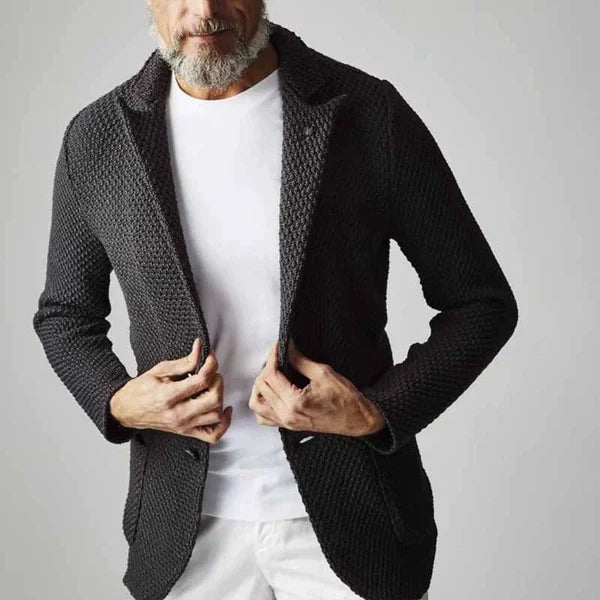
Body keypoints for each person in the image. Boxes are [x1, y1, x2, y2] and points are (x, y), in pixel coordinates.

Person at [32, 2, 518, 599]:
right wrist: (118, 401)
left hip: (351, 526)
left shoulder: (366, 112)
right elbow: (65, 315)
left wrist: (377, 411)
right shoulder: (99, 138)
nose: (205, 11)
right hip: (184, 536)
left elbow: (481, 302)